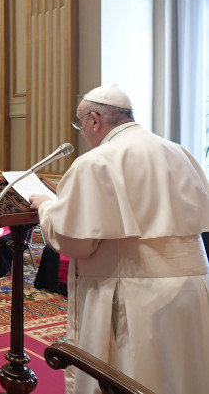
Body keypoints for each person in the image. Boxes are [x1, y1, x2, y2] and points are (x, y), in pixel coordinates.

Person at [29, 85, 209, 394]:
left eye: (80, 124)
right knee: (184, 373)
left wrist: (45, 206)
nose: (82, 132)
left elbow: (75, 243)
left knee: (134, 375)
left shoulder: (95, 162)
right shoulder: (179, 152)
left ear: (94, 120)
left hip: (135, 292)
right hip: (193, 287)